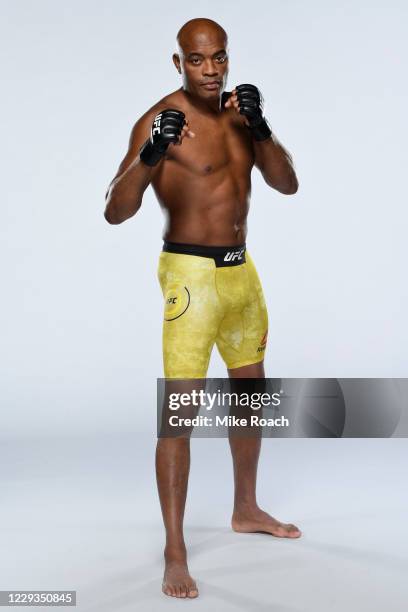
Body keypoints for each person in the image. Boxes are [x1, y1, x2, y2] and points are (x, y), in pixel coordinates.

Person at [104, 17, 301, 599]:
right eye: (198, 60)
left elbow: (287, 184)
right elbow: (115, 210)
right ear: (178, 63)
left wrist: (261, 129)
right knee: (181, 413)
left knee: (250, 392)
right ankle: (175, 551)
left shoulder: (242, 114)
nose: (211, 70)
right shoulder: (159, 118)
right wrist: (151, 150)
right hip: (189, 274)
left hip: (243, 273)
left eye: (219, 58)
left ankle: (246, 509)